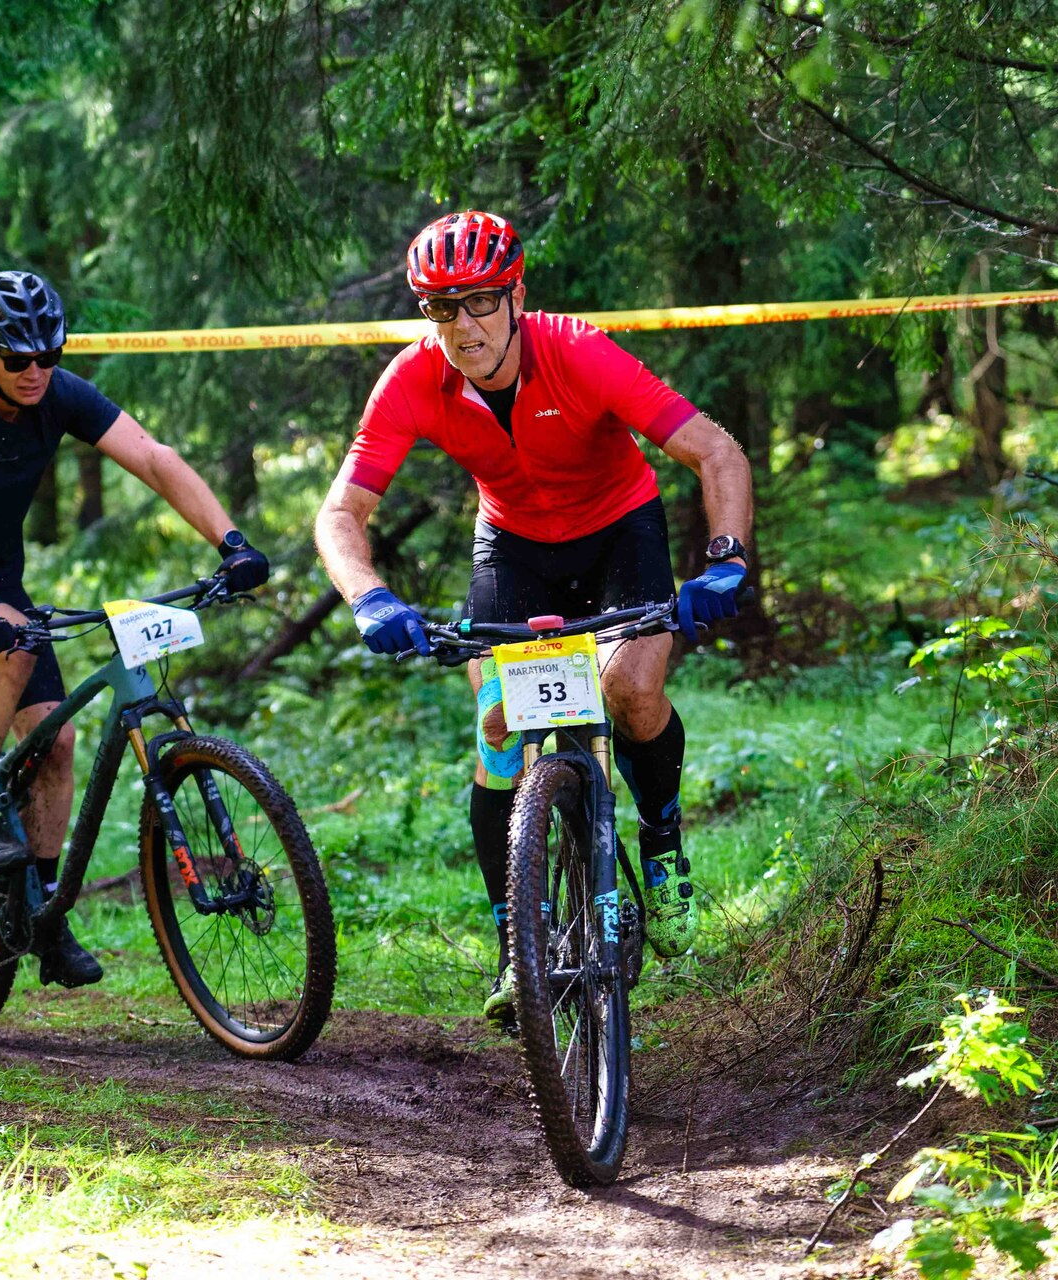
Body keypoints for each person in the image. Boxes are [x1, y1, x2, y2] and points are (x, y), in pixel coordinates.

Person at [313, 211, 754, 1020]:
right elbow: (342, 513)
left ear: (516, 296)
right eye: (441, 308)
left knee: (632, 691)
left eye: (480, 301)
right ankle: (517, 943)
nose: (463, 326)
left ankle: (661, 845)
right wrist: (369, 597)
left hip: (619, 528)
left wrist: (725, 559)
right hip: (514, 546)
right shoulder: (414, 379)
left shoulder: (578, 351)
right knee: (497, 728)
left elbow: (715, 449)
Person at [0, 270, 270, 988]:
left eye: (49, 355)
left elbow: (153, 457)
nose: (35, 372)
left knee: (58, 743)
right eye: (18, 359)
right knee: (8, 658)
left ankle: (43, 918)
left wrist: (231, 542)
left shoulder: (57, 394)